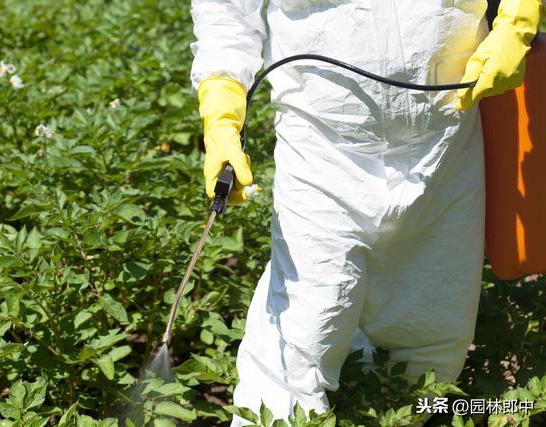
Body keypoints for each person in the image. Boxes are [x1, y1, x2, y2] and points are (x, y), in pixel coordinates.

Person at [189, 0, 544, 425]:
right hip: (324, 141)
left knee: (431, 336)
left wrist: (517, 19)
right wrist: (221, 110)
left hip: (448, 131)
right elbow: (227, 13)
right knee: (304, 332)